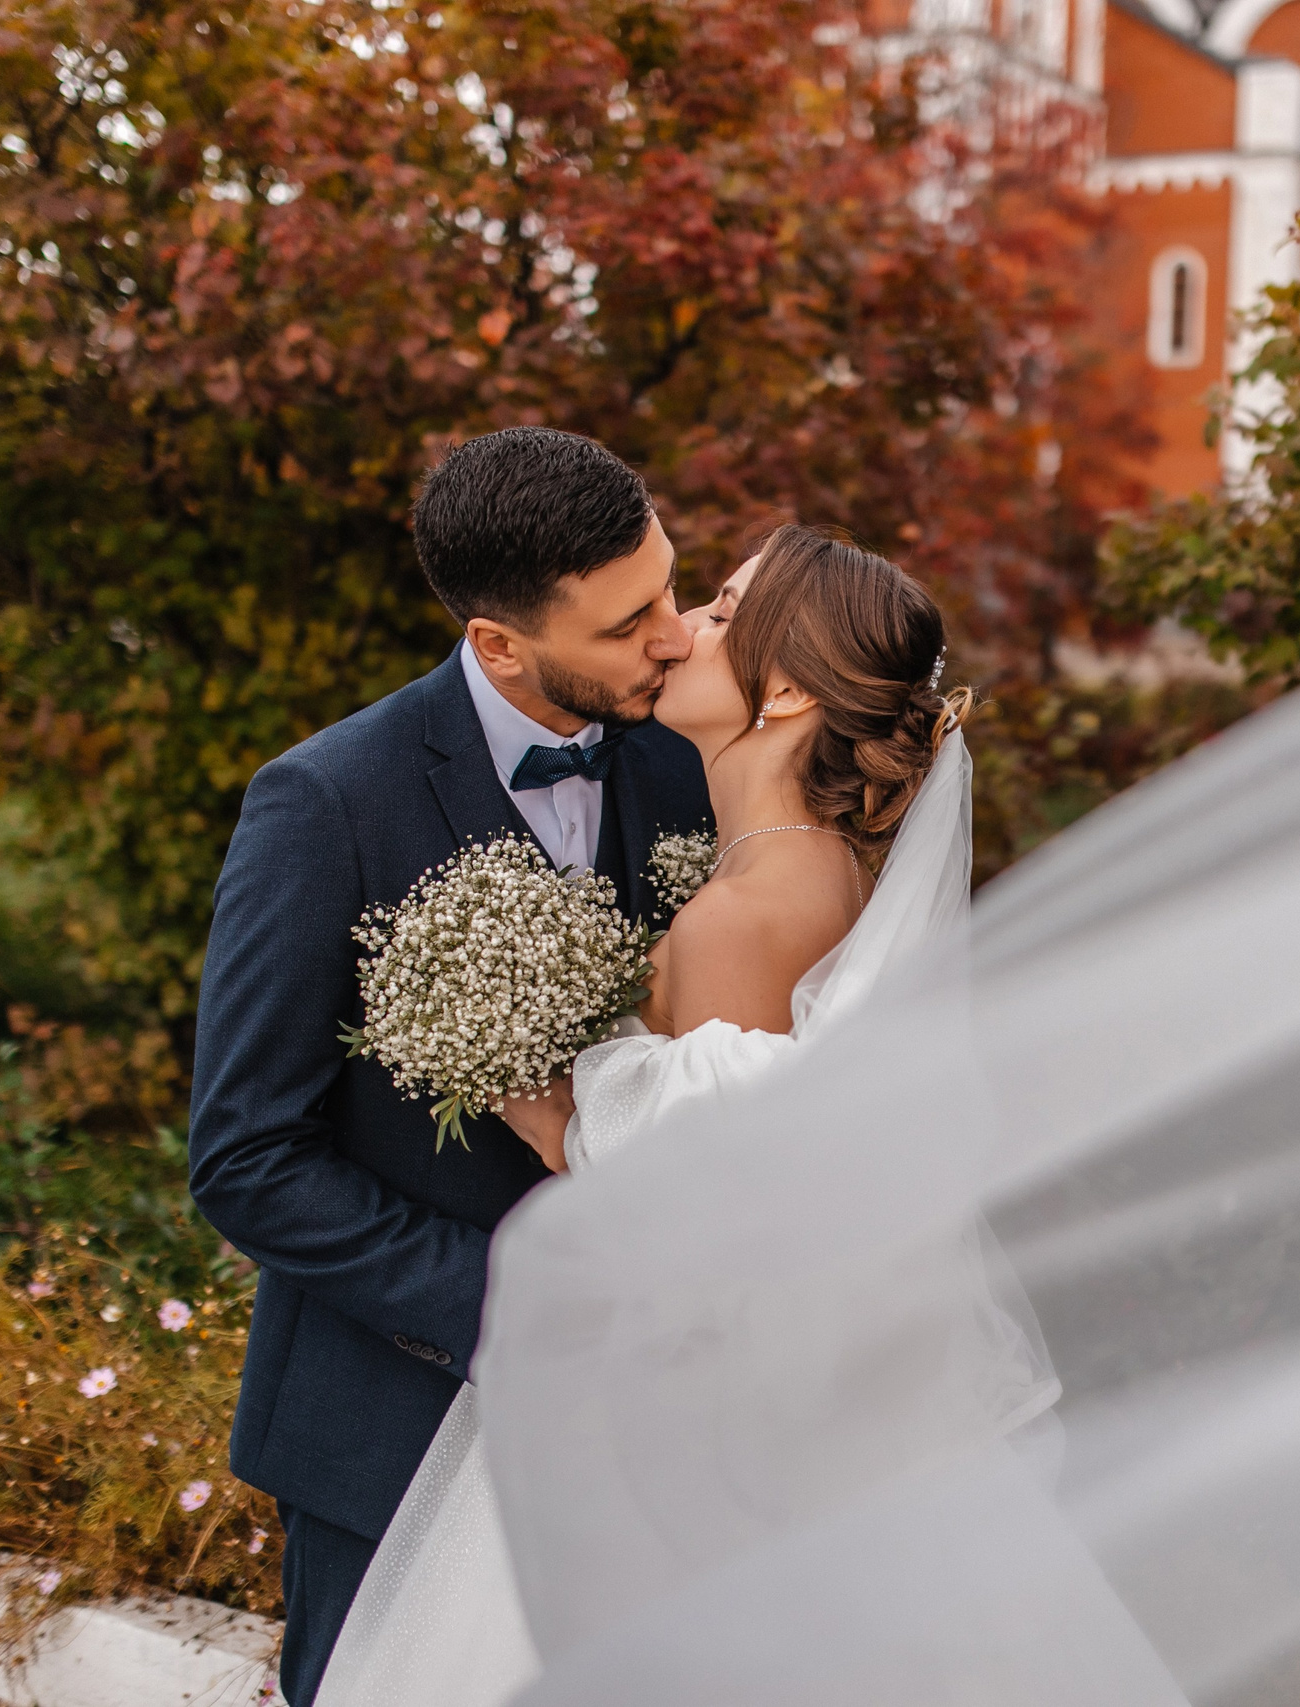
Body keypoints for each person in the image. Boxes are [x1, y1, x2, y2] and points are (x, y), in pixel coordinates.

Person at [310, 524, 1002, 1707]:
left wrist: (543, 1110)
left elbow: (711, 1251)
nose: (682, 631)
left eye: (722, 610)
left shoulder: (749, 916)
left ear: (784, 692)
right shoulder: (776, 871)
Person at [186, 427, 712, 1707]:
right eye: (628, 621)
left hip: (661, 1436)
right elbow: (246, 1156)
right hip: (396, 1432)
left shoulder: (695, 753)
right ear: (498, 643)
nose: (678, 637)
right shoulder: (326, 803)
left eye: (670, 586)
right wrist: (513, 1304)